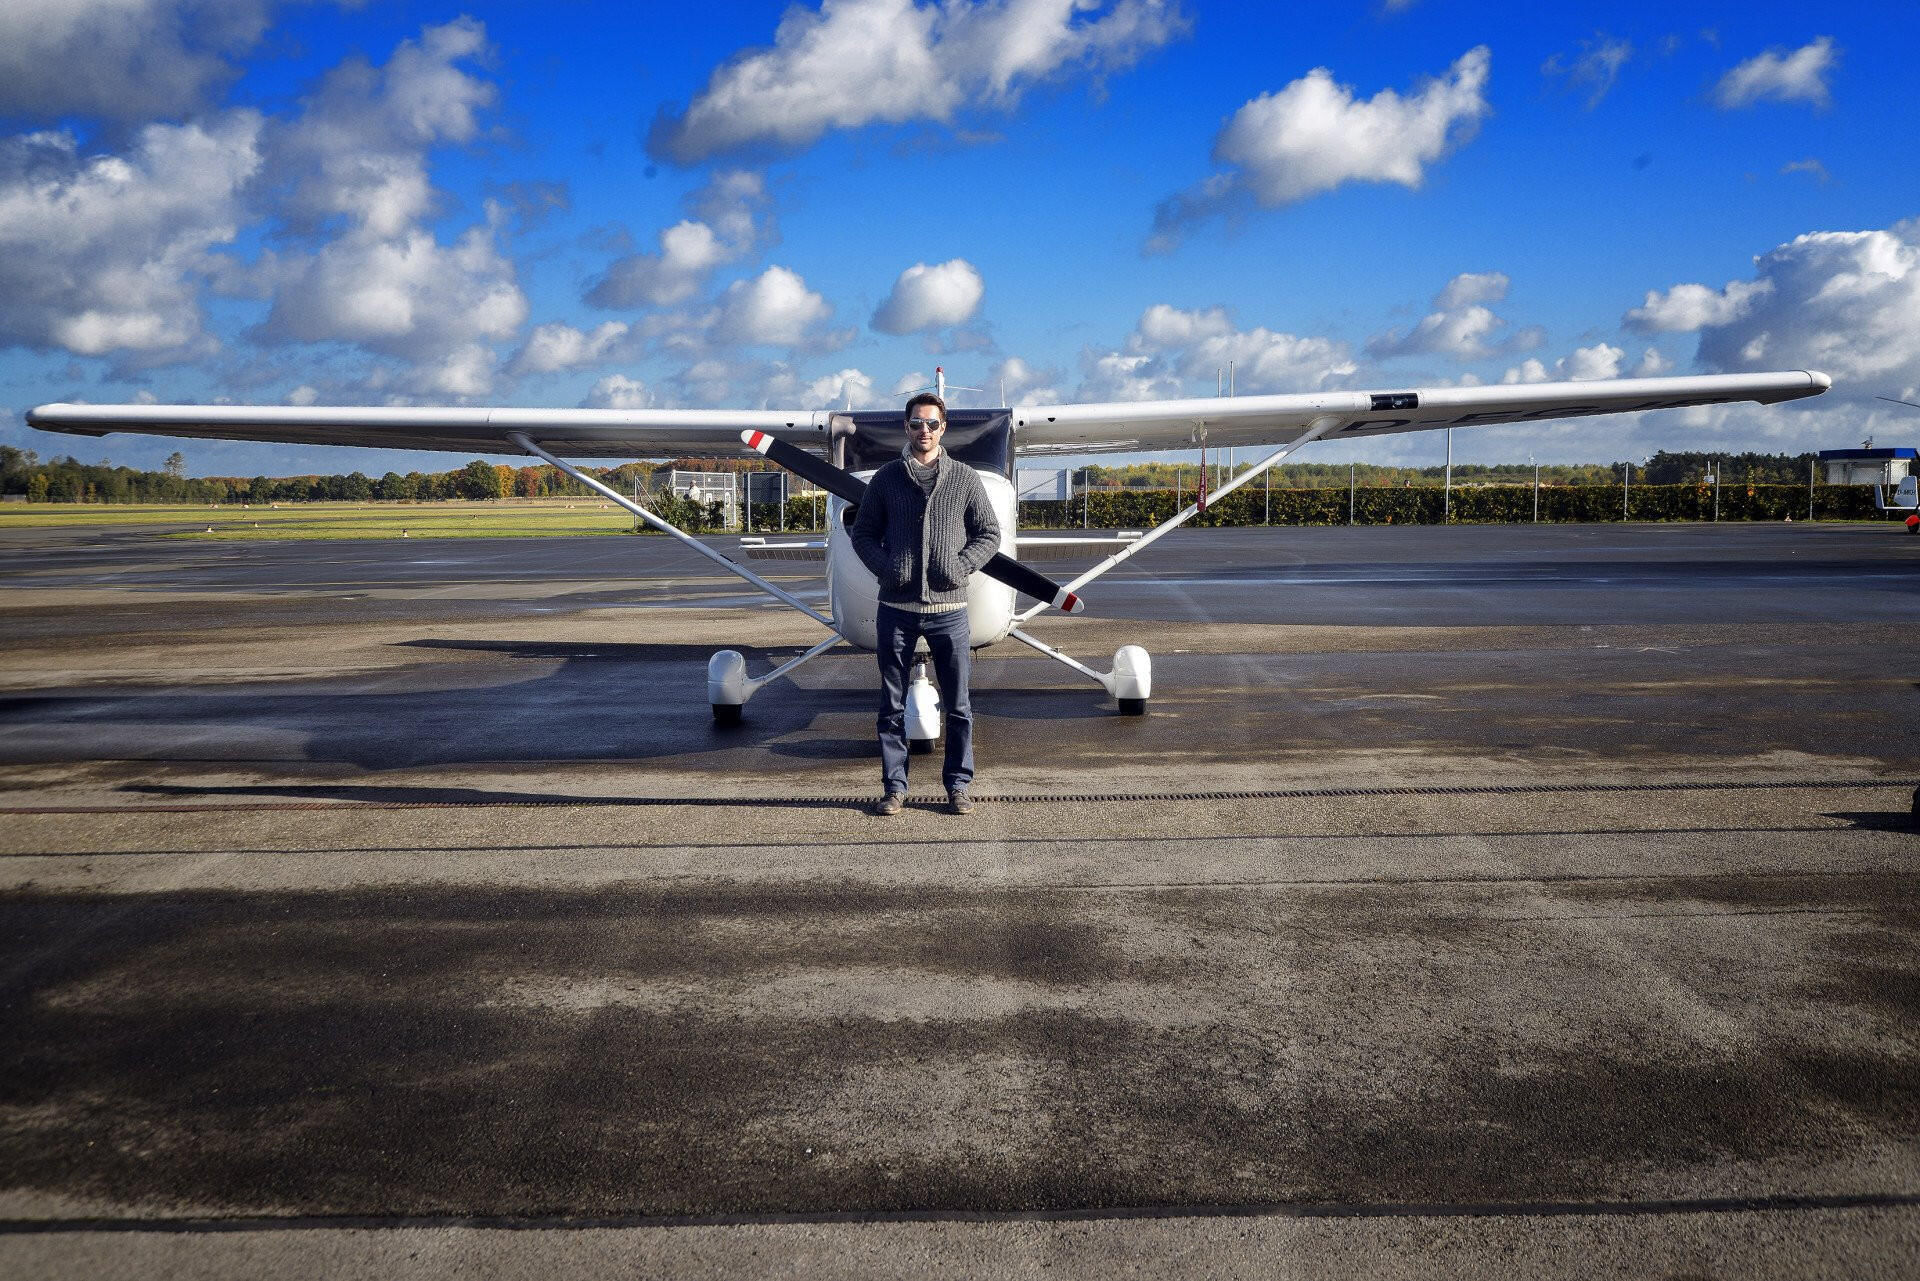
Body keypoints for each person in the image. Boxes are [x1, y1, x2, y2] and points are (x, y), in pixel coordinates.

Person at [850, 392, 1001, 816]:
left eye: (932, 424)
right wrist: (888, 569)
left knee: (959, 706)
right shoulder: (886, 479)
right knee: (890, 705)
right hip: (896, 609)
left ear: (943, 428)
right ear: (906, 427)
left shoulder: (965, 479)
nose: (924, 431)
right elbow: (861, 534)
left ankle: (958, 786)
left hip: (949, 609)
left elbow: (989, 533)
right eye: (917, 423)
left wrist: (961, 567)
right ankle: (895, 788)